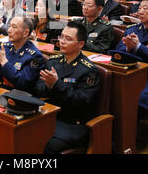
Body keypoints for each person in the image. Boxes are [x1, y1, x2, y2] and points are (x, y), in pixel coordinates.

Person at [34, 21, 100, 154]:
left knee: (46, 144)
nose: (62, 41)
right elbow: (37, 88)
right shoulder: (54, 61)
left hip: (72, 123)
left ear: (81, 44)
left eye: (68, 39)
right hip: (50, 115)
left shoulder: (89, 70)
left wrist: (57, 84)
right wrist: (49, 85)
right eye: (61, 37)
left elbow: (81, 101)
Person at [0, 16, 45, 93]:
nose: (9, 30)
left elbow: (22, 83)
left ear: (25, 33)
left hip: (19, 96)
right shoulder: (6, 47)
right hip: (0, 90)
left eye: (14, 27)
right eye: (9, 26)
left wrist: (3, 61)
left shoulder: (35, 56)